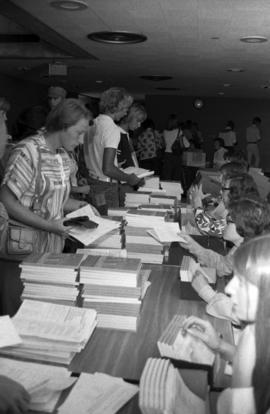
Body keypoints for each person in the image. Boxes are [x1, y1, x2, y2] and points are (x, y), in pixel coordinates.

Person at [182, 234, 270, 414]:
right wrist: (220, 345)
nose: (229, 289)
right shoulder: (256, 332)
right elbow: (253, 364)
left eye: (243, 282)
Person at [0, 98, 91, 254]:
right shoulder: (28, 151)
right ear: (63, 126)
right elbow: (7, 202)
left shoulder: (62, 155)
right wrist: (49, 226)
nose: (81, 140)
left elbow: (51, 200)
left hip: (51, 247)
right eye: (79, 133)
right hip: (23, 247)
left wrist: (81, 207)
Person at [180, 173, 259, 276]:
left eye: (224, 188)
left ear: (235, 191)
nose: (220, 192)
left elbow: (207, 226)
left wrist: (197, 202)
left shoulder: (244, 217)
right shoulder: (242, 216)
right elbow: (224, 266)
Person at [84, 87, 143, 211]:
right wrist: (129, 179)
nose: (126, 113)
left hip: (92, 182)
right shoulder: (112, 129)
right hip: (106, 186)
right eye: (126, 109)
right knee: (110, 223)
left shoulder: (93, 123)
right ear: (117, 107)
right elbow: (108, 168)